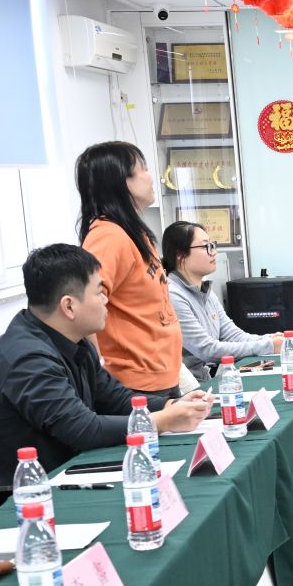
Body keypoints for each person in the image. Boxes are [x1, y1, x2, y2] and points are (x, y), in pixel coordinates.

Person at [0, 245, 212, 487]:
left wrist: (170, 405)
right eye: (99, 292)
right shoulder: (27, 359)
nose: (106, 300)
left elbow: (115, 398)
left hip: (50, 475)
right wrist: (162, 421)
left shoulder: (74, 341)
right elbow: (83, 430)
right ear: (69, 306)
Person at [77, 141, 185, 402]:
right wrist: (98, 374)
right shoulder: (108, 236)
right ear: (121, 181)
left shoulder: (132, 232)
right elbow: (85, 304)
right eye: (143, 169)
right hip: (134, 384)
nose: (151, 177)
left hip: (161, 375)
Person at [163, 220, 274, 379]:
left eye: (212, 245)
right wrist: (267, 346)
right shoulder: (173, 295)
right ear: (181, 256)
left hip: (203, 380)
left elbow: (233, 335)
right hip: (183, 386)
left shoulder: (205, 291)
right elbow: (207, 350)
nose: (214, 252)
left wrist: (270, 339)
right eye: (206, 246)